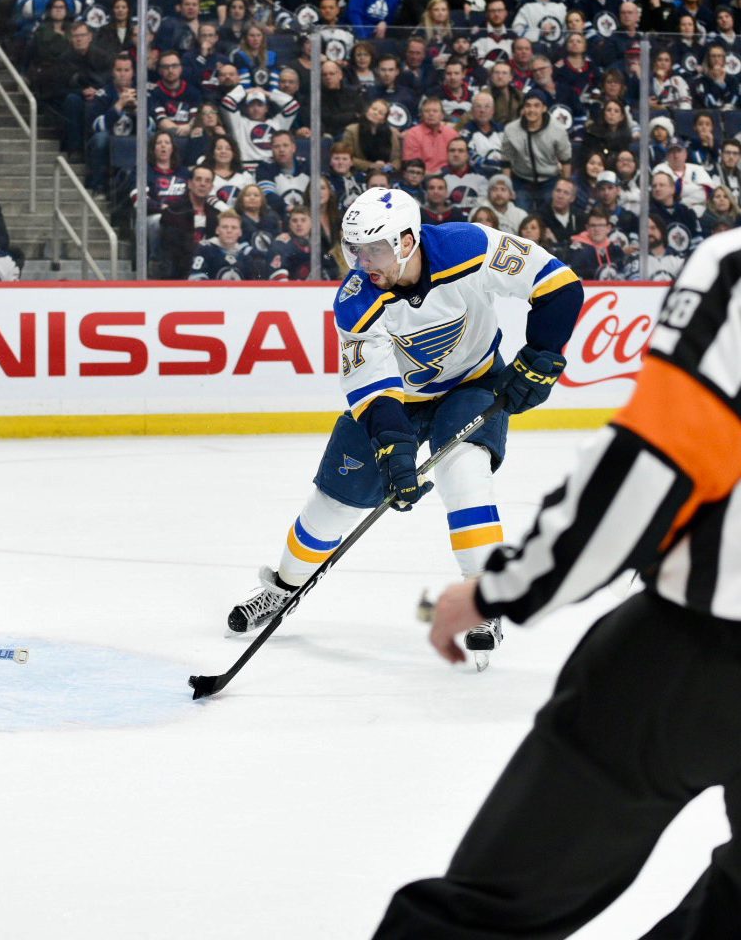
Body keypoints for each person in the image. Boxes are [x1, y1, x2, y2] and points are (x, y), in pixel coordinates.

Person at [378, 227, 741, 939]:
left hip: (700, 654)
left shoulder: (733, 267)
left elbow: (650, 468)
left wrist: (495, 591)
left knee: (486, 911)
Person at [226, 188, 583, 670]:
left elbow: (558, 284)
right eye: (355, 250)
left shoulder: (468, 246)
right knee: (333, 505)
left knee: (465, 472)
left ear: (408, 240)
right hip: (399, 400)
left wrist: (541, 354)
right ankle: (284, 588)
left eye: (375, 249)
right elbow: (374, 389)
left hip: (473, 382)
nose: (363, 262)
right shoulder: (356, 300)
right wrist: (394, 453)